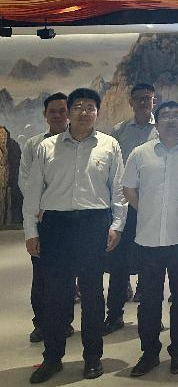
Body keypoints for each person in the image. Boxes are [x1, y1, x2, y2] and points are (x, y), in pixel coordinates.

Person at [23, 88, 127, 384]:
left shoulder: (109, 145)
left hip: (93, 224)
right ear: (68, 112)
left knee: (93, 295)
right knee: (56, 295)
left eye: (90, 107)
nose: (84, 112)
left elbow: (118, 189)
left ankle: (93, 357)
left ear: (98, 112)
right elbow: (33, 192)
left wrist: (117, 225)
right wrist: (31, 231)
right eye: (78, 106)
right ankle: (52, 358)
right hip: (56, 225)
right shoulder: (47, 147)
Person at [122, 101, 178, 377]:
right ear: (157, 121)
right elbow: (129, 189)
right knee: (149, 300)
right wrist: (147, 211)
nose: (171, 120)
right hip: (147, 239)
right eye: (165, 115)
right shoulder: (140, 153)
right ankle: (149, 352)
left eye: (177, 115)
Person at [104, 83, 159, 335]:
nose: (143, 102)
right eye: (139, 98)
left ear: (154, 101)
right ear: (131, 101)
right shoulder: (119, 131)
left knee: (150, 264)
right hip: (125, 205)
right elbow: (113, 169)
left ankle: (150, 317)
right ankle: (114, 315)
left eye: (148, 98)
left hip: (151, 206)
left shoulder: (160, 131)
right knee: (119, 263)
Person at [18, 93, 73, 345]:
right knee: (41, 274)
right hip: (43, 219)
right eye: (53, 111)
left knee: (67, 274)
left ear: (69, 113)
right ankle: (41, 323)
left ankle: (65, 322)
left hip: (72, 220)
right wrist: (39, 206)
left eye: (63, 110)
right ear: (45, 115)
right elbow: (25, 179)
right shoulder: (33, 145)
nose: (58, 115)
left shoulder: (78, 143)